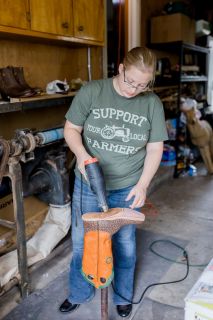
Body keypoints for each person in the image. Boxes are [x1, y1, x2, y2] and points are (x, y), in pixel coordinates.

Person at [59, 46, 168, 317]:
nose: (134, 90)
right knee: (83, 243)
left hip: (127, 186)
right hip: (89, 183)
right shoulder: (92, 91)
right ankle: (79, 292)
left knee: (125, 245)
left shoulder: (151, 103)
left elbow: (155, 148)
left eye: (142, 85)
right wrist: (83, 156)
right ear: (120, 68)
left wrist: (142, 184)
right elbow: (71, 129)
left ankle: (122, 296)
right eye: (130, 81)